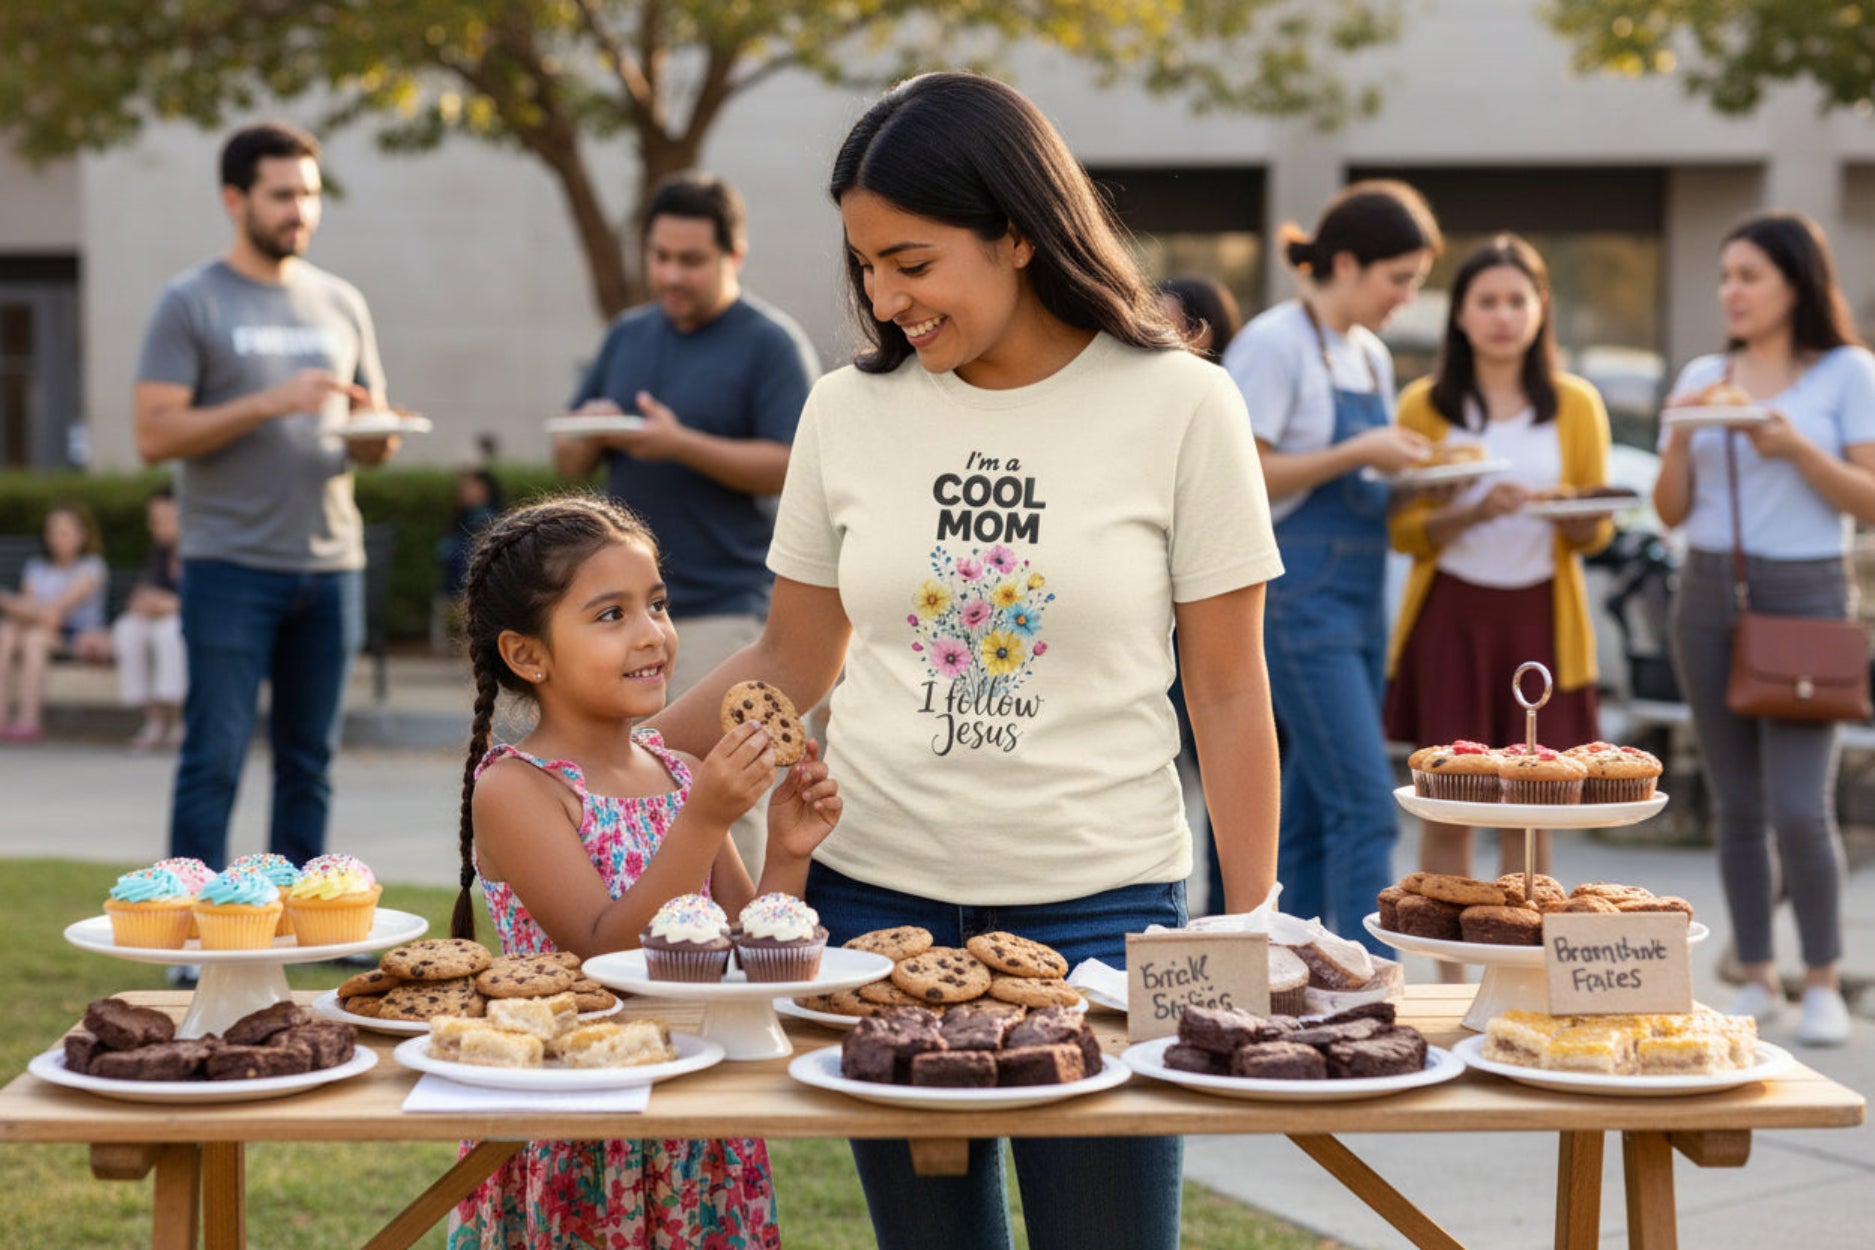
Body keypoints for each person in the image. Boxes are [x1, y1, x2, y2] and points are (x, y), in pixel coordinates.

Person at [648, 71, 1284, 1249]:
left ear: (1019, 237)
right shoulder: (845, 411)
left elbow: (1230, 686)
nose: (887, 301)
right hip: (874, 902)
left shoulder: (1186, 407)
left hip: (1105, 913)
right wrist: (612, 759)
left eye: (914, 262)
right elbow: (794, 653)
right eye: (867, 268)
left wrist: (1252, 916)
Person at [447, 493, 841, 1247]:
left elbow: (751, 958)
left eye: (656, 605)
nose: (651, 635)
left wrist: (789, 850)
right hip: (577, 1118)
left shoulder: (680, 772)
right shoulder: (517, 789)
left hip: (695, 1115)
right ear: (527, 655)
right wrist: (704, 820)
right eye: (609, 615)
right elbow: (605, 952)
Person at [133, 120, 400, 874]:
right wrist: (268, 402)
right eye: (282, 195)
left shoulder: (342, 302)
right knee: (213, 757)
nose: (300, 212)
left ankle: (300, 928)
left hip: (330, 565)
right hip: (230, 567)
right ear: (234, 198)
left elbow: (367, 431)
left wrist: (376, 437)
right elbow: (153, 435)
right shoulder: (190, 302)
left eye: (310, 195)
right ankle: (188, 933)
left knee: (309, 764)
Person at [553, 170, 820, 876]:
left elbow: (794, 465)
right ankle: (648, 953)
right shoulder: (628, 334)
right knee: (631, 794)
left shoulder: (769, 343)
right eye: (660, 257)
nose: (671, 274)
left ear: (734, 255)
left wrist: (680, 445)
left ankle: (749, 957)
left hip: (728, 615)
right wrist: (585, 433)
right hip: (621, 616)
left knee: (731, 795)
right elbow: (566, 453)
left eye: (691, 260)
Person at [1655, 210, 1875, 1047]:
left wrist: (1790, 448)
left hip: (1807, 592)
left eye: (1750, 276)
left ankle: (1820, 978)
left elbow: (1864, 497)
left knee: (1797, 805)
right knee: (1737, 806)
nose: (1731, 293)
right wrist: (1678, 437)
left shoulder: (1844, 373)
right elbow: (1672, 511)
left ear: (1795, 284)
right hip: (1707, 589)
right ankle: (1757, 976)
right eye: (1724, 277)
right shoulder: (1704, 373)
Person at [1221, 180, 1441, 951]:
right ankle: (1366, 987)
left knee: (1313, 812)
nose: (1405, 299)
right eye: (1398, 279)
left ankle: (1293, 977)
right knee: (1365, 803)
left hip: (1357, 600)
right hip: (1298, 599)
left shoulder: (1370, 357)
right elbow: (1241, 477)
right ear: (1345, 263)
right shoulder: (1276, 342)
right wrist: (1359, 451)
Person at [1384, 236, 1612, 911]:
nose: (1502, 315)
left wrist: (1561, 513)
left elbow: (1594, 529)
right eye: (1486, 301)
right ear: (1458, 314)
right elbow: (1401, 531)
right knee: (1448, 808)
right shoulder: (1423, 406)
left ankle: (1516, 960)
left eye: (1517, 300)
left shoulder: (1575, 404)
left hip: (1541, 619)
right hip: (1450, 618)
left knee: (1532, 812)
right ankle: (1448, 974)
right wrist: (1475, 510)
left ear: (1541, 309)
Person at [1157, 274, 1245, 913]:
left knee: (1215, 774)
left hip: (1218, 628)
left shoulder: (1208, 405)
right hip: (1162, 640)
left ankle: (1219, 905)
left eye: (1158, 327)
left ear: (1200, 334)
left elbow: (1231, 691)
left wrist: (1249, 920)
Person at [0, 502, 109, 742]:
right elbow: (28, 611)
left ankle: (29, 720)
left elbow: (57, 610)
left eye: (64, 533)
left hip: (75, 638)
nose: (57, 539)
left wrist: (10, 602)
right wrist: (23, 609)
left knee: (34, 639)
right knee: (6, 632)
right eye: (52, 532)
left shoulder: (92, 567)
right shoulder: (36, 567)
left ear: (82, 535)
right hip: (36, 630)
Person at [112, 487, 189, 751]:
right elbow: (144, 592)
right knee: (127, 629)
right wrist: (144, 602)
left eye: (165, 519)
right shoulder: (159, 553)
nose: (157, 526)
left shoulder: (199, 552)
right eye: (154, 520)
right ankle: (154, 719)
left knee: (170, 632)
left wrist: (173, 605)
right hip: (158, 620)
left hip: (185, 623)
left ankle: (180, 721)